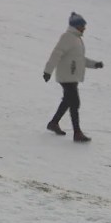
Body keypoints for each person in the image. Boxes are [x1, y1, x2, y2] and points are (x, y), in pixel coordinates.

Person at [43, 12, 104, 143]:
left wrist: (94, 64)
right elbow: (56, 54)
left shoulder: (76, 39)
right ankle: (77, 133)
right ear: (77, 26)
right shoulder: (68, 37)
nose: (85, 28)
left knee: (67, 101)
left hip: (72, 76)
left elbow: (80, 59)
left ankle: (53, 123)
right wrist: (48, 71)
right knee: (74, 103)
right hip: (67, 76)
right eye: (83, 25)